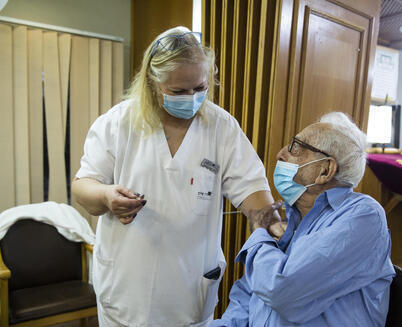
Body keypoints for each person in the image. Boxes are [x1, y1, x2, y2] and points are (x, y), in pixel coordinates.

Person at [71, 26, 275, 326]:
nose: (191, 98)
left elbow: (252, 190)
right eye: (178, 91)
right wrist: (106, 196)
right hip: (127, 290)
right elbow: (82, 187)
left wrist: (271, 223)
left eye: (199, 88)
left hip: (189, 291)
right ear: (153, 84)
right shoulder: (119, 123)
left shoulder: (221, 127)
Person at [212, 112, 396, 327]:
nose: (280, 154)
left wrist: (261, 230)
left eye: (296, 147)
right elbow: (249, 292)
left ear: (325, 170)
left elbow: (281, 291)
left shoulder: (363, 215)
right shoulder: (294, 219)